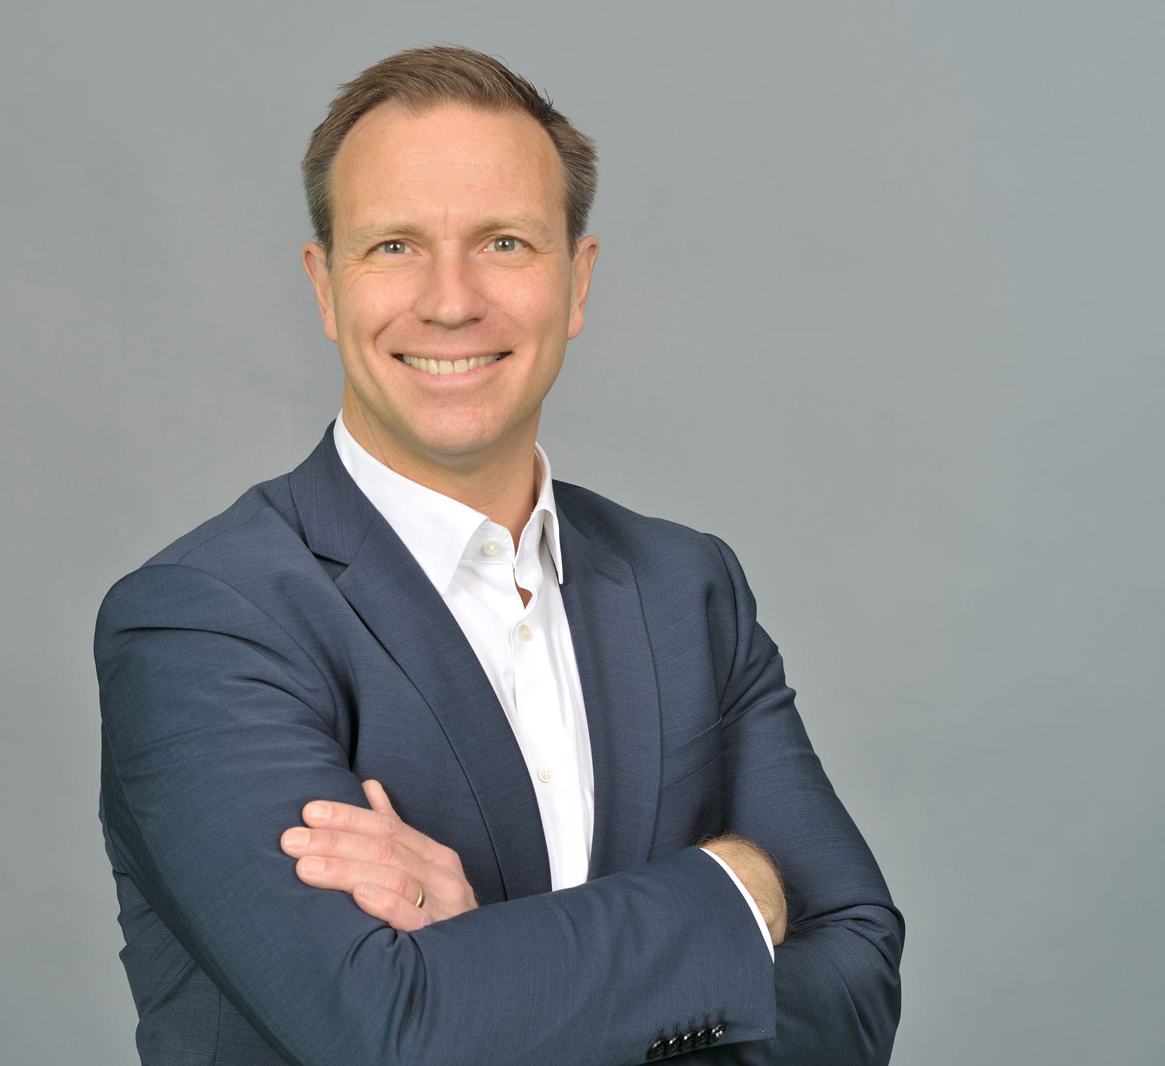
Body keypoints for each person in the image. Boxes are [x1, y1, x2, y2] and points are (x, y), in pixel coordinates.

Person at [96, 45, 902, 1066]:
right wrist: (740, 886)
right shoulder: (203, 620)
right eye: (393, 246)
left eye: (506, 243)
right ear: (325, 286)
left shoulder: (687, 588)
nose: (448, 300)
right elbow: (388, 1034)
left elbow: (858, 981)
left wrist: (487, 963)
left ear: (576, 280)